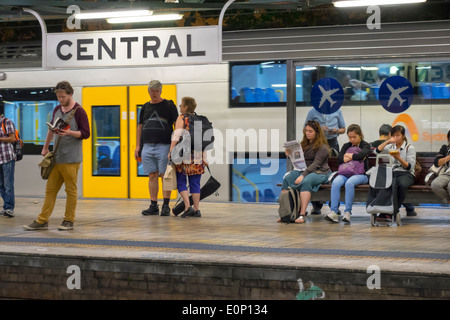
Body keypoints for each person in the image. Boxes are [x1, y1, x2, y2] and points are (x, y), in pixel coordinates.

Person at [23, 81, 90, 230]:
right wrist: (45, 147)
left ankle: (69, 220)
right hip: (57, 157)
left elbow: (86, 133)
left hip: (71, 158)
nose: (60, 99)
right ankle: (42, 220)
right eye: (58, 96)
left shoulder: (79, 111)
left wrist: (70, 132)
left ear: (70, 94)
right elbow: (51, 130)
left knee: (70, 190)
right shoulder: (57, 110)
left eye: (63, 96)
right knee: (50, 190)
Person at [135, 80, 178, 216]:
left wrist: (174, 146)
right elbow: (140, 127)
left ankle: (166, 205)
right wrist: (138, 146)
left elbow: (177, 125)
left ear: (161, 91)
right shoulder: (145, 107)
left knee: (165, 175)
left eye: (157, 91)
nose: (154, 94)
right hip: (147, 146)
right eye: (152, 91)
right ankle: (153, 205)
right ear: (148, 91)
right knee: (152, 175)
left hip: (164, 146)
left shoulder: (169, 105)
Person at [278, 120, 331, 224]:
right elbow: (298, 160)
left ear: (317, 132)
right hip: (304, 170)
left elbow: (316, 164)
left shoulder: (323, 147)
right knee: (287, 179)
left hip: (320, 172)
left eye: (310, 131)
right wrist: (289, 154)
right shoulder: (303, 144)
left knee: (306, 181)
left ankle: (302, 214)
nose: (307, 133)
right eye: (306, 131)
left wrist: (302, 175)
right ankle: (286, 213)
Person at [169, 97, 207, 218]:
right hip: (197, 154)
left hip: (183, 154)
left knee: (181, 181)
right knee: (195, 183)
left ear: (185, 107)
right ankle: (197, 210)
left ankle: (187, 207)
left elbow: (177, 134)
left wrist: (171, 150)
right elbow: (202, 140)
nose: (179, 107)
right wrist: (204, 156)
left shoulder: (182, 117)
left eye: (181, 105)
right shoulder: (199, 119)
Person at [325, 124, 371, 223]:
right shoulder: (346, 145)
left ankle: (347, 212)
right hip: (346, 172)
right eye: (350, 137)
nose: (352, 140)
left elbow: (362, 155)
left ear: (360, 135)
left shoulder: (365, 145)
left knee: (349, 183)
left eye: (354, 137)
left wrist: (349, 155)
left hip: (361, 174)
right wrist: (354, 156)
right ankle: (334, 211)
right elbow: (340, 159)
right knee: (336, 182)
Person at [305, 107, 346, 215]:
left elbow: (343, 129)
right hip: (317, 142)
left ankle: (334, 207)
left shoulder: (337, 110)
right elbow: (306, 127)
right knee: (315, 168)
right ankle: (316, 205)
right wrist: (319, 129)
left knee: (333, 172)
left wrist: (336, 130)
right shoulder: (312, 112)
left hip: (332, 142)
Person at [371, 124, 417, 216]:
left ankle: (394, 210)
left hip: (406, 174)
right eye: (393, 135)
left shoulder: (409, 148)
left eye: (398, 135)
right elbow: (376, 151)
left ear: (403, 136)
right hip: (393, 172)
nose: (395, 138)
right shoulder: (390, 147)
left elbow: (410, 167)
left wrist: (399, 158)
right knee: (386, 183)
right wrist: (387, 141)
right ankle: (382, 209)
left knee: (402, 184)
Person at [0, 95, 17, 218]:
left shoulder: (7, 122)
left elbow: (12, 138)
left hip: (7, 158)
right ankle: (6, 205)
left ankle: (9, 208)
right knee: (0, 185)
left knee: (8, 184)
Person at [430, 130, 450, 204]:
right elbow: (436, 163)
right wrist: (448, 157)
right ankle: (447, 200)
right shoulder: (445, 148)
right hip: (447, 173)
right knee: (435, 184)